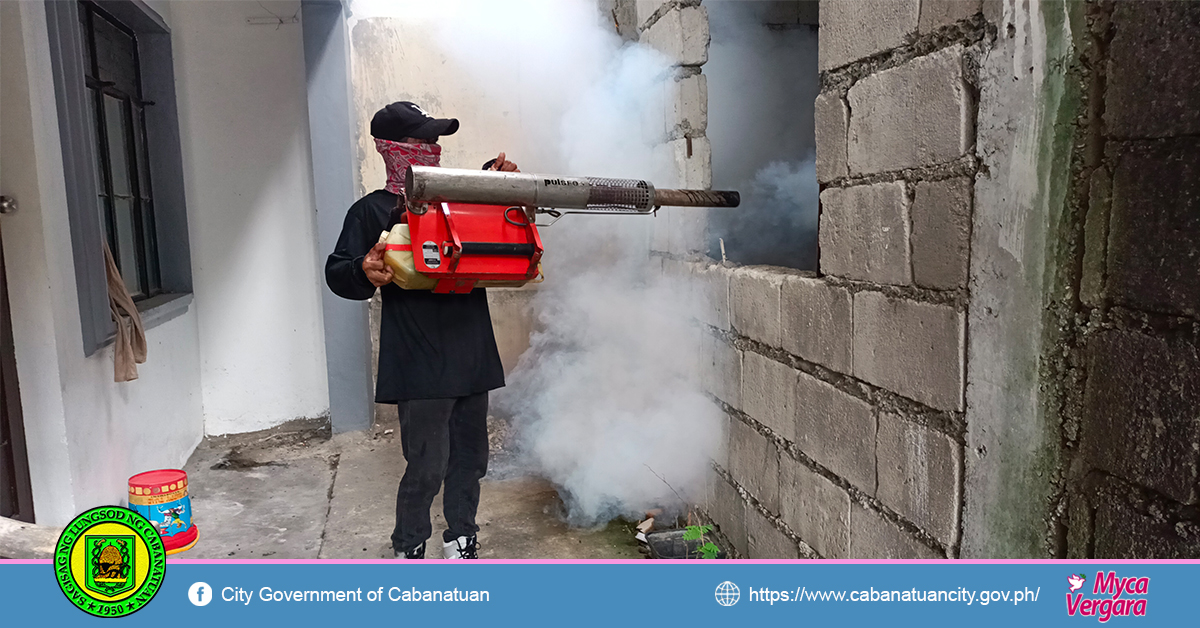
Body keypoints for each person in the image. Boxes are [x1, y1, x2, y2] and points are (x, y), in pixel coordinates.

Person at [325, 101, 519, 560]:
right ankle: (409, 546)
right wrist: (363, 268)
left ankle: (461, 538)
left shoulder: (460, 200)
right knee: (427, 465)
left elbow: (493, 225)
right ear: (387, 148)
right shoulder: (370, 211)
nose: (430, 151)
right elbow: (338, 273)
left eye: (434, 142)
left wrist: (498, 182)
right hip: (419, 359)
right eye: (419, 142)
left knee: (470, 460)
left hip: (472, 351)